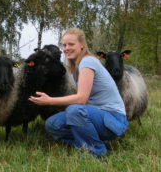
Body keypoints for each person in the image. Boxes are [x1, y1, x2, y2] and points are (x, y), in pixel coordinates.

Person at [29, 28, 128, 158]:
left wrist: (50, 101)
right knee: (52, 124)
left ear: (82, 45)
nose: (66, 48)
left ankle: (96, 152)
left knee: (74, 110)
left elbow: (81, 99)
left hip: (114, 120)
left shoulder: (88, 61)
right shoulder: (76, 68)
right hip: (97, 116)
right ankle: (94, 142)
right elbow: (84, 102)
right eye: (64, 45)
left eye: (71, 44)